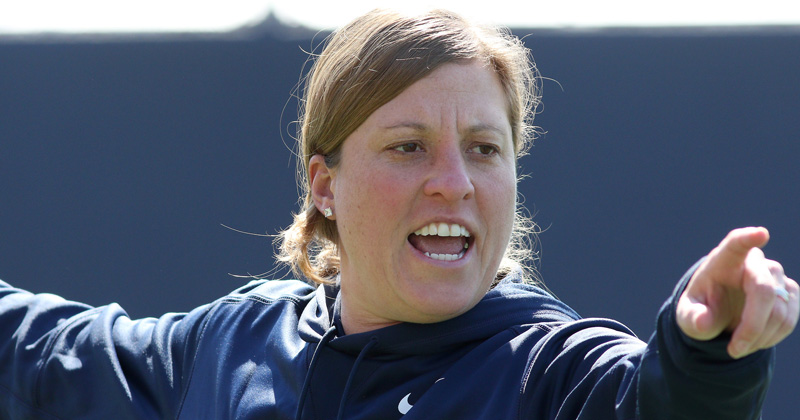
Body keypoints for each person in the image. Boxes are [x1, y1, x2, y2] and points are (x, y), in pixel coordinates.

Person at [0, 8, 797, 420]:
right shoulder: (225, 348)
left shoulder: (551, 372)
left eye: (484, 149)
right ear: (324, 185)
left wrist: (705, 353)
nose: (452, 181)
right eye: (409, 147)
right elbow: (38, 354)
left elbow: (655, 405)